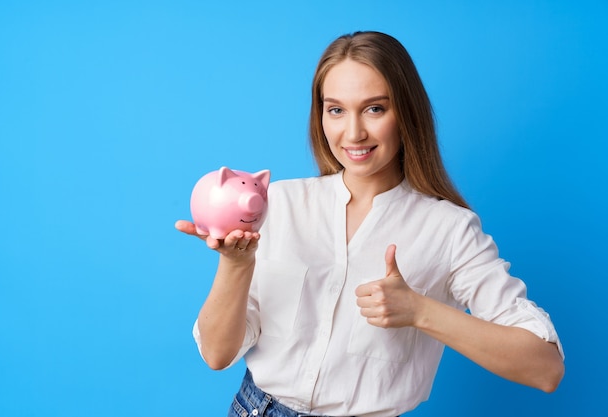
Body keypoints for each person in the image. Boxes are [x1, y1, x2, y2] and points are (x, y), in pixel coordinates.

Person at [175, 31, 564, 417]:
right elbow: (217, 353)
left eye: (375, 109)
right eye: (336, 110)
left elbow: (545, 368)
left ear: (406, 113)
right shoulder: (279, 203)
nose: (354, 132)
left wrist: (419, 311)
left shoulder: (450, 230)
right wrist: (236, 264)